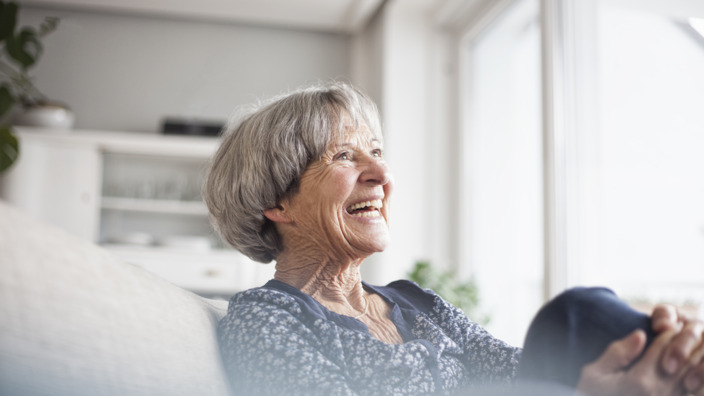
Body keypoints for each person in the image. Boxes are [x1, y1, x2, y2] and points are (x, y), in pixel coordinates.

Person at [204, 82, 704, 395]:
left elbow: (522, 372)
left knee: (578, 315)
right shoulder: (264, 320)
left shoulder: (416, 303)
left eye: (376, 151)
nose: (381, 172)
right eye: (343, 157)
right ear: (277, 202)